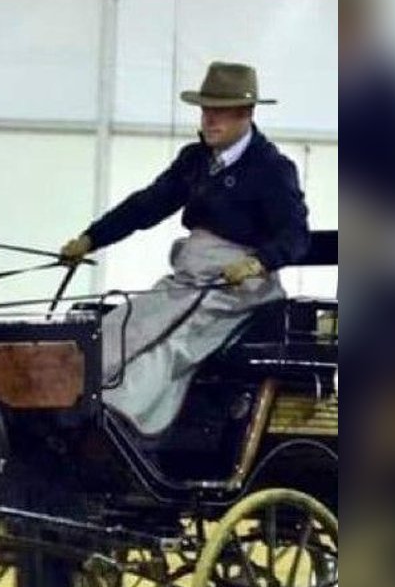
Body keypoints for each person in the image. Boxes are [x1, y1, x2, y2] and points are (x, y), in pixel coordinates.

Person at [60, 61, 310, 435]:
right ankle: (70, 398)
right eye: (206, 110)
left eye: (220, 111)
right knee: (122, 325)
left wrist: (257, 262)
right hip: (189, 280)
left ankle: (118, 420)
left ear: (246, 113)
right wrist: (92, 238)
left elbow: (295, 235)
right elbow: (147, 205)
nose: (209, 119)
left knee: (169, 342)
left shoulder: (271, 168)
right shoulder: (195, 160)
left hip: (237, 292)